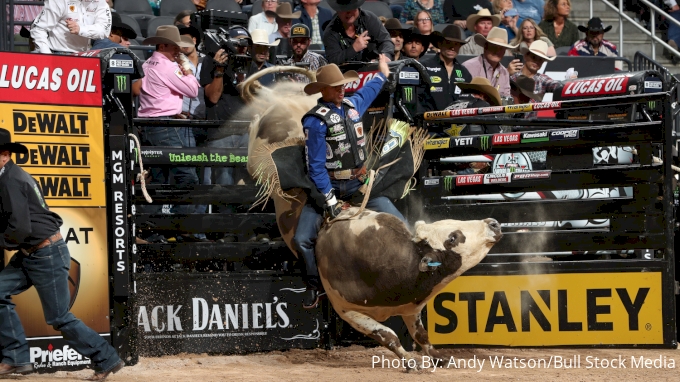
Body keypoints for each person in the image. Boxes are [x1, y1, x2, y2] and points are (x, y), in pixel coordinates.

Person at [0, 129, 125, 381]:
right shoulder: (10, 176)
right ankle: (15, 358)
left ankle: (106, 358)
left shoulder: (10, 180)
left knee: (58, 317)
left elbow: (20, 228)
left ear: (4, 155)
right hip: (33, 252)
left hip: (44, 253)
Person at [294, 55, 406, 309]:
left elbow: (370, 89)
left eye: (343, 84)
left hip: (358, 185)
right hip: (330, 188)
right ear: (323, 89)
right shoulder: (315, 121)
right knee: (302, 239)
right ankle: (314, 285)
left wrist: (383, 73)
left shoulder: (353, 104)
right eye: (336, 86)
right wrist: (330, 200)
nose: (342, 88)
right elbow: (316, 167)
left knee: (399, 222)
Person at [137, 26, 200, 218]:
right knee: (187, 176)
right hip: (166, 127)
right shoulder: (168, 66)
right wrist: (187, 71)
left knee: (157, 178)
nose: (178, 51)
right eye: (174, 47)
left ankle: (151, 227)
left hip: (149, 125)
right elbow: (193, 91)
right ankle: (180, 224)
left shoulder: (147, 63)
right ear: (163, 45)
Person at [323, 0, 395, 64]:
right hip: (346, 75)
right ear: (337, 10)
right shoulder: (330, 32)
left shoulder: (369, 19)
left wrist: (386, 56)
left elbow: (386, 41)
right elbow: (333, 60)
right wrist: (354, 49)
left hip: (374, 69)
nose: (348, 12)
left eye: (352, 8)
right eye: (344, 9)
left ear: (357, 7)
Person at [420, 24, 472, 111]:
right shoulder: (425, 67)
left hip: (457, 122)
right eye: (448, 42)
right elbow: (418, 97)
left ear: (460, 47)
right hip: (429, 121)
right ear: (440, 44)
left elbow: (468, 101)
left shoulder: (464, 72)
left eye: (456, 44)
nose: (452, 47)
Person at [31, 0, 112, 53]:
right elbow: (38, 28)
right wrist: (46, 55)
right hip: (58, 53)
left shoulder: (100, 2)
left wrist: (81, 29)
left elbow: (105, 30)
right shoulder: (58, 1)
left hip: (85, 56)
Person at [462, 26, 519, 97]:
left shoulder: (504, 72)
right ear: (485, 47)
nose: (497, 51)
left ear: (504, 52)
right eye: (494, 46)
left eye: (501, 48)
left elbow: (506, 99)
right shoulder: (469, 67)